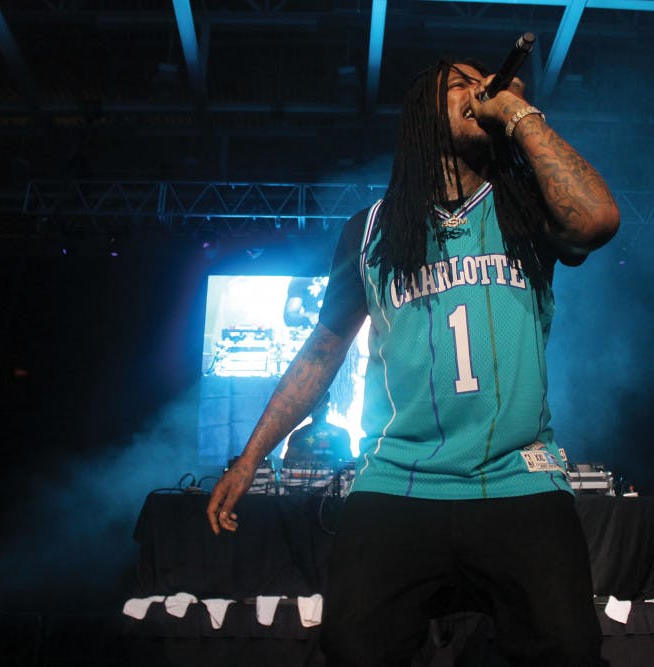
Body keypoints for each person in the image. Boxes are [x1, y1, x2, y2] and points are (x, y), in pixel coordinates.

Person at [208, 55, 619, 666]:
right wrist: (250, 458)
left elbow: (598, 219)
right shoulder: (370, 231)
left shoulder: (523, 207)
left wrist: (517, 112)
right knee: (352, 646)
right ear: (422, 114)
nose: (480, 89)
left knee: (568, 647)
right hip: (400, 478)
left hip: (517, 475)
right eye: (461, 84)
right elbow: (322, 352)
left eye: (485, 82)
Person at [283, 392, 352, 465]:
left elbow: (348, 462)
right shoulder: (298, 434)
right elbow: (288, 461)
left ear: (327, 408)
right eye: (316, 405)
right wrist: (303, 457)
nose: (318, 408)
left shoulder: (341, 434)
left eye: (321, 404)